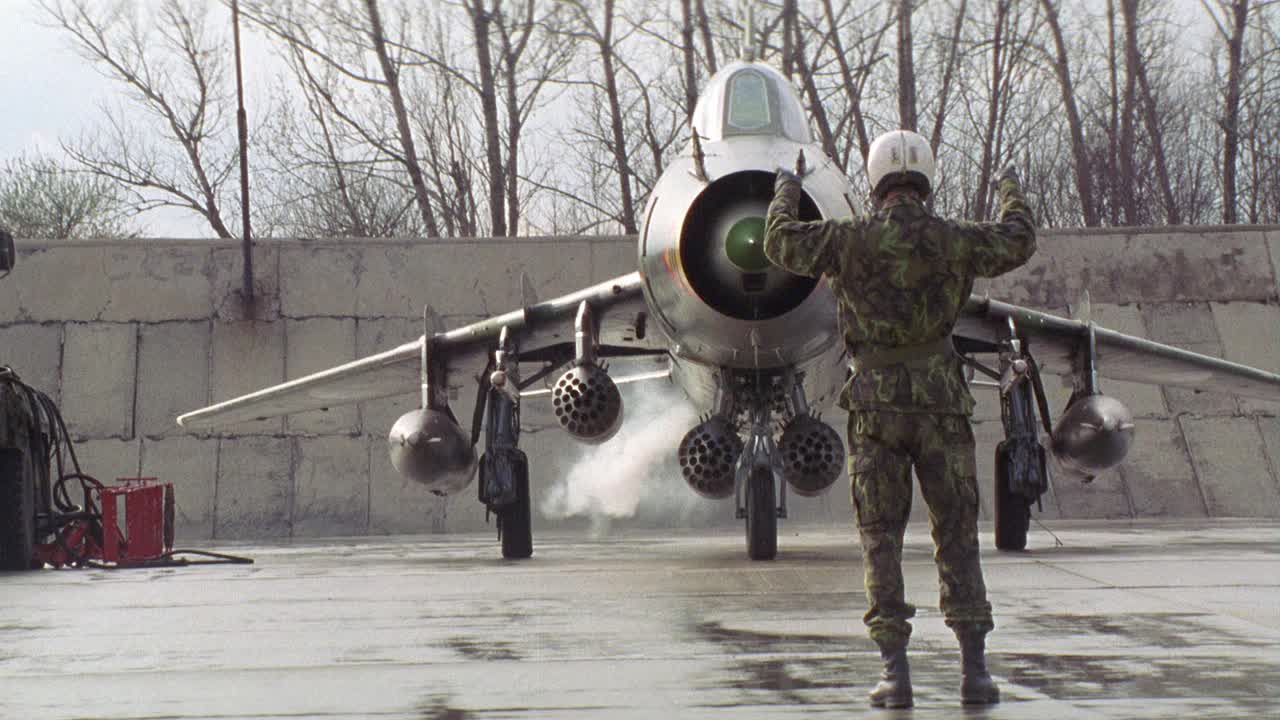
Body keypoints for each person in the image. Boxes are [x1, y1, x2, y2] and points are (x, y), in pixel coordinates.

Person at [763, 129, 1036, 708]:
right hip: (942, 404)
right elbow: (1019, 238)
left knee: (880, 538)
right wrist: (1009, 186)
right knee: (956, 535)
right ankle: (974, 672)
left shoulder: (848, 240)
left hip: (877, 409)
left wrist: (787, 187)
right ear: (925, 179)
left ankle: (895, 673)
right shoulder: (957, 240)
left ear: (877, 179)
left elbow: (779, 244)